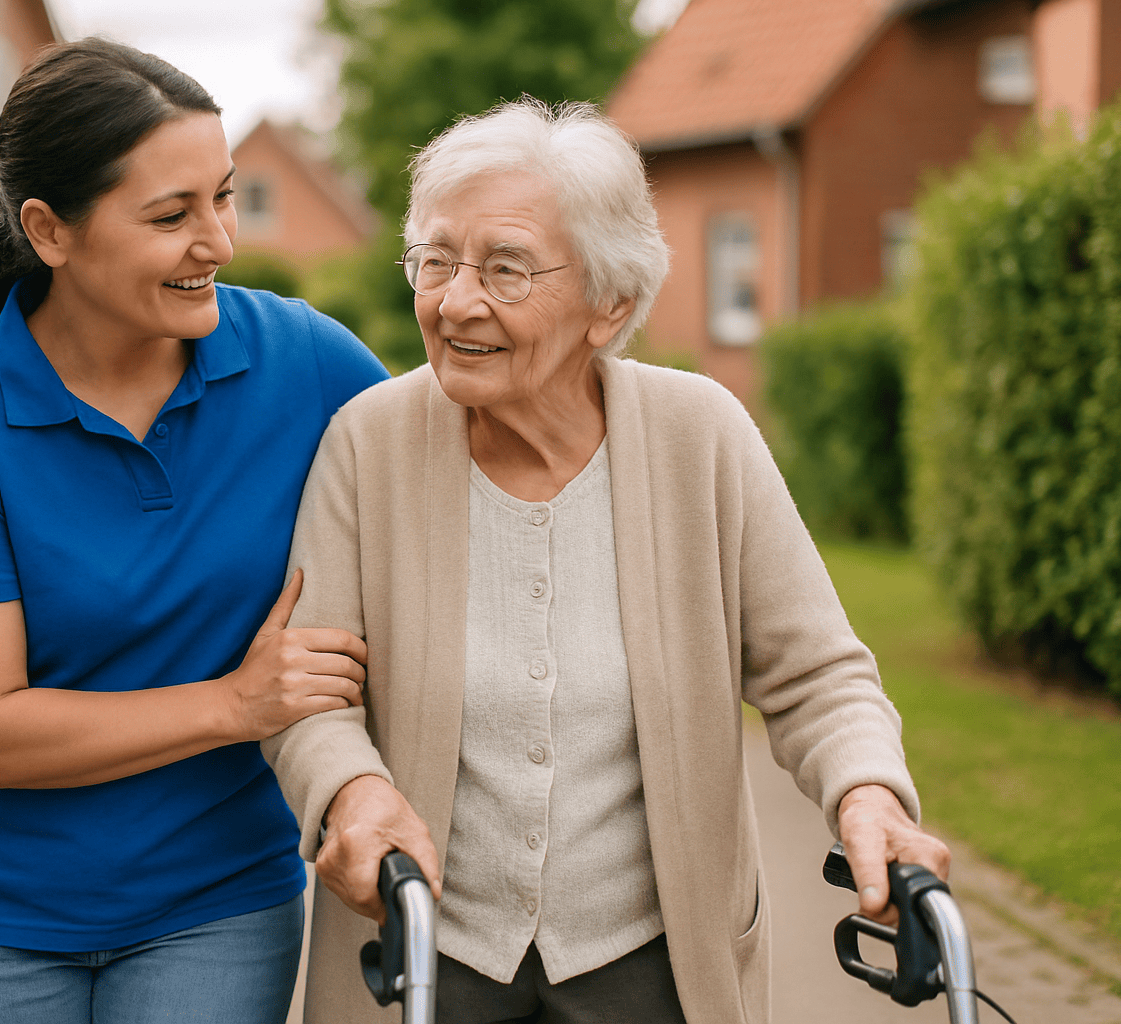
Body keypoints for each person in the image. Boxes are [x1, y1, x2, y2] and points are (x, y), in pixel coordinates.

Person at [262, 98, 950, 1024]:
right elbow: (312, 697)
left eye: (505, 270)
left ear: (610, 302)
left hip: (651, 962)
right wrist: (350, 793)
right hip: (421, 953)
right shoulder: (366, 444)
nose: (455, 300)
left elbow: (818, 674)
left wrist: (870, 798)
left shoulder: (699, 435)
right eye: (437, 260)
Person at [0, 38, 387, 1024]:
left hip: (217, 904)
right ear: (49, 231)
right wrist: (235, 704)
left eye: (223, 198)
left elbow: (457, 471)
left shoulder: (305, 361)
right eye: (171, 215)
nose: (219, 242)